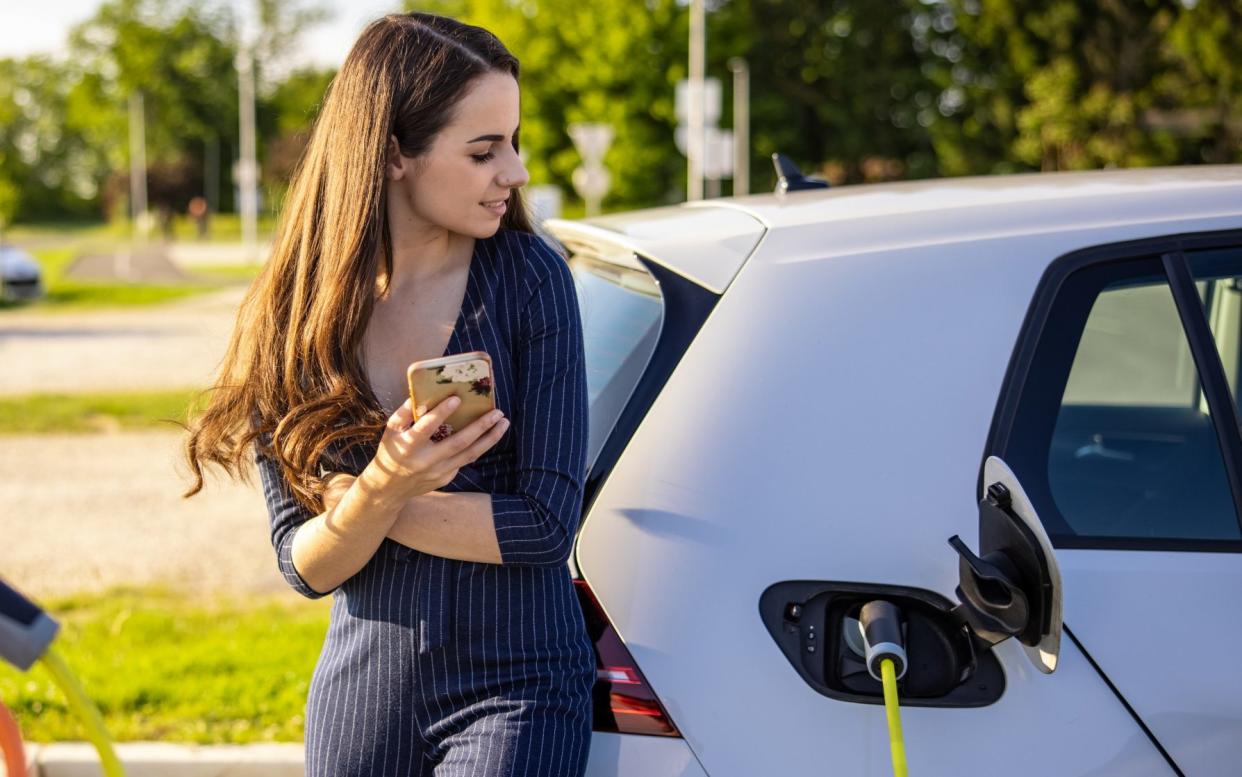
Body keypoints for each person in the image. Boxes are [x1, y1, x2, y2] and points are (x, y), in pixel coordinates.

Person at [181, 12, 594, 776]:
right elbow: (305, 564)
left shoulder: (532, 280)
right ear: (394, 152)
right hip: (364, 698)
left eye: (512, 141)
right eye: (484, 150)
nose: (517, 171)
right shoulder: (294, 316)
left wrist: (369, 505)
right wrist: (384, 483)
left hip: (519, 688)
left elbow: (541, 525)